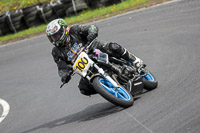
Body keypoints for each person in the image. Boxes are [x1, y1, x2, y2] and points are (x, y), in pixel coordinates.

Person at [46, 18, 143, 96]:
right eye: (52, 37)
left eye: (56, 36)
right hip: (86, 69)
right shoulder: (56, 51)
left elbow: (92, 27)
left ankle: (134, 60)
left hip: (94, 50)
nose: (55, 39)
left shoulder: (74, 30)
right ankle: (108, 89)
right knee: (83, 89)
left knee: (113, 47)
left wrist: (92, 33)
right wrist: (64, 76)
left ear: (64, 30)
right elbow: (61, 68)